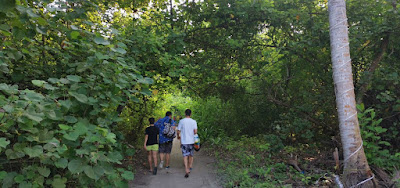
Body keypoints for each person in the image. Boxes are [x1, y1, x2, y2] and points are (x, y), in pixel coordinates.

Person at [177, 109, 198, 178]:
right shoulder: (193, 121)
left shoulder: (181, 121)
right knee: (191, 155)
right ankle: (190, 166)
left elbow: (178, 131)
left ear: (185, 114)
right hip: (191, 141)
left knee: (185, 156)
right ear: (190, 114)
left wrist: (178, 136)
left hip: (184, 141)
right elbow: (195, 132)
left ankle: (186, 168)